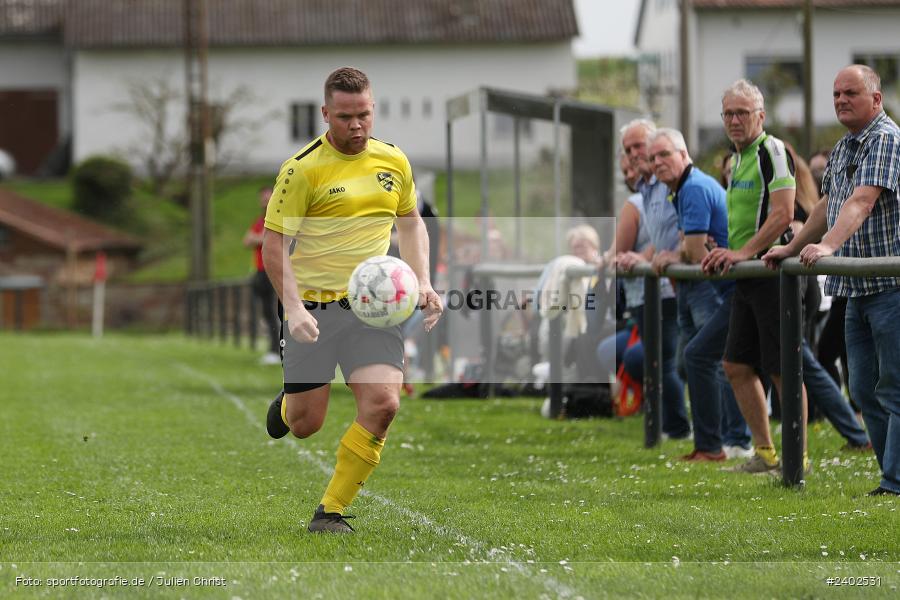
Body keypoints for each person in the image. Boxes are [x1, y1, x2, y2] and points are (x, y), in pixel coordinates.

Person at [261, 67, 444, 532]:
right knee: (306, 423)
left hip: (372, 308)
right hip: (313, 310)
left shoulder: (393, 161)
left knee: (384, 404)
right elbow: (273, 245)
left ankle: (331, 512)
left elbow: (411, 224)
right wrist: (294, 309)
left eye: (364, 114)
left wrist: (423, 281)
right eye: (345, 117)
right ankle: (287, 405)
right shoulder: (302, 170)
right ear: (326, 114)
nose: (357, 125)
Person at [764, 65, 899, 496]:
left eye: (850, 93)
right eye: (836, 93)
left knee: (893, 387)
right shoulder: (844, 146)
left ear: (876, 99)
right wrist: (792, 247)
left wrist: (827, 247)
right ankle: (892, 474)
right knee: (862, 389)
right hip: (857, 289)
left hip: (891, 287)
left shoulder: (886, 139)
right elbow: (829, 205)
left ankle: (894, 481)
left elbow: (861, 202)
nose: (841, 100)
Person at [702, 79, 808, 474]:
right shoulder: (736, 159)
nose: (734, 120)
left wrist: (744, 251)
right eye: (728, 113)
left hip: (773, 271)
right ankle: (765, 454)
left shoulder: (773, 150)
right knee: (735, 365)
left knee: (783, 369)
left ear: (760, 116)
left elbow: (783, 213)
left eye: (742, 113)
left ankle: (797, 459)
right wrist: (724, 248)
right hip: (747, 275)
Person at [646, 128, 751, 461]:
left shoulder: (692, 187)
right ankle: (722, 442)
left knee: (710, 359)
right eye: (652, 158)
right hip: (727, 287)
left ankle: (725, 443)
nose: (657, 162)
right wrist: (678, 252)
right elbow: (691, 246)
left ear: (683, 154)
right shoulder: (682, 188)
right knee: (699, 360)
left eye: (664, 154)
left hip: (733, 289)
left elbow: (693, 250)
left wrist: (676, 255)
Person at [616, 119, 690, 440]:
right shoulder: (645, 189)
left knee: (667, 362)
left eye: (639, 145)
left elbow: (673, 233)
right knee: (660, 361)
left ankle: (679, 427)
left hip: (665, 289)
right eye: (628, 149)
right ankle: (669, 426)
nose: (634, 154)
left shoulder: (668, 183)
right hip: (655, 288)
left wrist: (642, 258)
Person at [243, 186, 282, 365]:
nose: (264, 202)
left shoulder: (280, 218)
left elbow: (279, 239)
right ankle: (274, 350)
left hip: (277, 270)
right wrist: (261, 238)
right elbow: (247, 240)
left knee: (280, 311)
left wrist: (259, 238)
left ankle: (281, 349)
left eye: (267, 199)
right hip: (261, 272)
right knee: (267, 312)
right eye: (263, 199)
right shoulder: (260, 221)